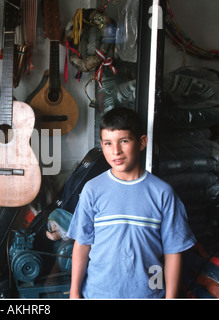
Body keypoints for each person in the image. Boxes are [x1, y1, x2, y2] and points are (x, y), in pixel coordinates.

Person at [68, 107, 196, 299]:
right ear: (101, 146)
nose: (116, 151)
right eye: (108, 143)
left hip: (149, 293)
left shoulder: (162, 193)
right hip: (98, 292)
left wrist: (171, 297)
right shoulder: (92, 189)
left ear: (142, 142)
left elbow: (173, 252)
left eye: (124, 141)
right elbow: (82, 244)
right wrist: (74, 292)